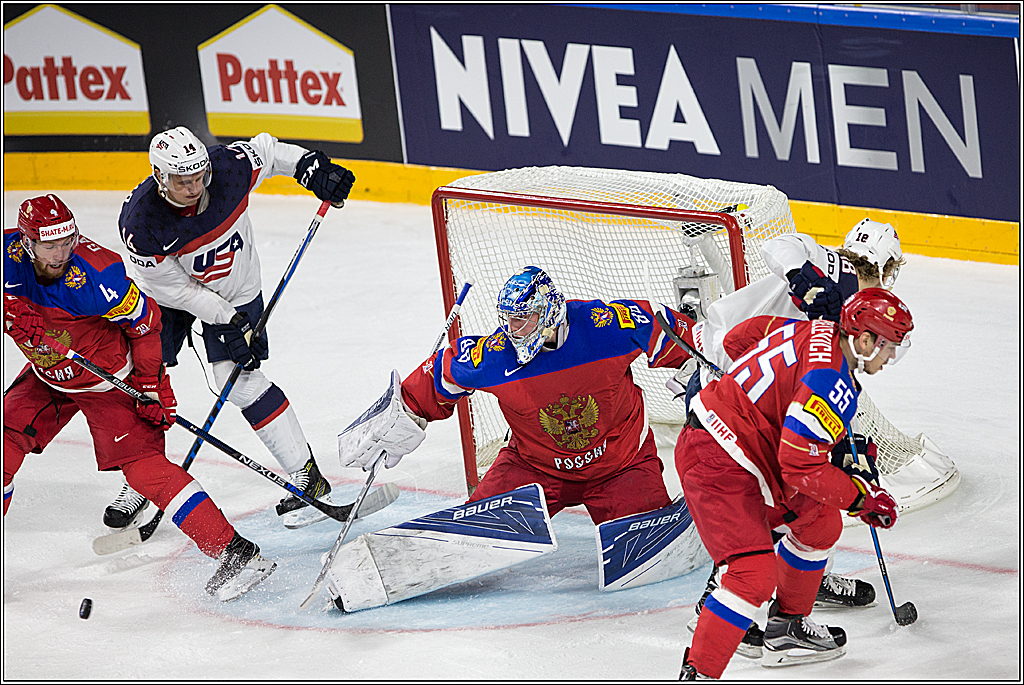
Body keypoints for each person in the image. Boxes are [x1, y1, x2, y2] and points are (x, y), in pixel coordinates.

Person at [329, 266, 704, 608]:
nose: (514, 329)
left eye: (524, 319)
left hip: (622, 466)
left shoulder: (606, 325)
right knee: (469, 537)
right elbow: (439, 374)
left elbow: (679, 335)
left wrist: (699, 367)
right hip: (534, 469)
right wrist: (401, 415)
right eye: (509, 319)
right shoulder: (495, 354)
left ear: (550, 312)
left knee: (644, 554)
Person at [3, 195, 274, 601]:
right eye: (50, 245)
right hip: (49, 378)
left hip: (109, 382)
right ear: (26, 243)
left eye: (67, 241)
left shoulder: (98, 274)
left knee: (145, 471)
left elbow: (146, 324)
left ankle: (236, 553)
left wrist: (150, 385)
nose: (61, 253)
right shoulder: (6, 257)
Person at [673, 219, 905, 654]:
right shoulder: (830, 270)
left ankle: (801, 582)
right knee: (763, 499)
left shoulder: (860, 311)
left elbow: (828, 389)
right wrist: (807, 281)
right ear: (888, 268)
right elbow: (780, 246)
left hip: (761, 384)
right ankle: (719, 601)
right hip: (732, 385)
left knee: (809, 501)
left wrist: (848, 448)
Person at [106, 126, 355, 530]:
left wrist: (310, 166)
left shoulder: (228, 168)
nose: (193, 188)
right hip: (170, 297)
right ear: (159, 176)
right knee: (142, 377)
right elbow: (178, 290)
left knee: (238, 381)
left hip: (237, 287)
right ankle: (143, 475)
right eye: (181, 181)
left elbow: (267, 153)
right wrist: (228, 320)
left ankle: (308, 476)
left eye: (198, 176)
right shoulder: (141, 222)